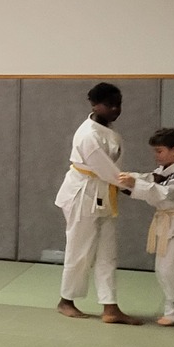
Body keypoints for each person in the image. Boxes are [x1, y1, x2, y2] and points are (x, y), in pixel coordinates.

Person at [55, 83, 144, 325]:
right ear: (95, 105)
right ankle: (66, 301)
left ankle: (110, 307)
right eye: (110, 105)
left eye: (119, 104)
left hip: (104, 192)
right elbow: (107, 171)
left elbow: (114, 171)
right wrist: (138, 187)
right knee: (79, 250)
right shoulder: (88, 134)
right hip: (83, 195)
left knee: (108, 253)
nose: (116, 109)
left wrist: (132, 183)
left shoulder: (109, 130)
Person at [118, 128, 174, 326]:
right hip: (165, 223)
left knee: (170, 269)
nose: (156, 155)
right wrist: (125, 180)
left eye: (160, 151)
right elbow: (149, 180)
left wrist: (134, 183)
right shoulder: (162, 172)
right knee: (162, 269)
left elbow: (163, 193)